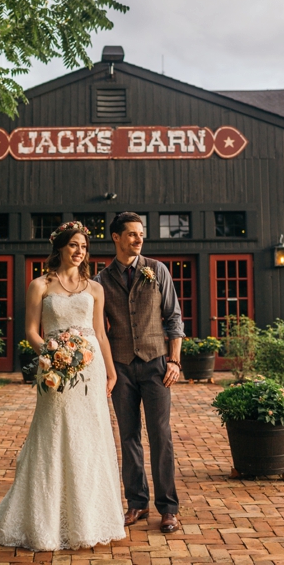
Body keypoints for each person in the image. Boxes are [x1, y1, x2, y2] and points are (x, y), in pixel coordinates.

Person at [0, 221, 126, 551]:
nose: (79, 252)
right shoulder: (40, 285)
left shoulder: (95, 288)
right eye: (74, 245)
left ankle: (88, 519)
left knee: (89, 439)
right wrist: (52, 354)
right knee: (52, 435)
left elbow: (100, 333)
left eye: (84, 247)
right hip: (54, 371)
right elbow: (31, 331)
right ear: (60, 246)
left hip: (89, 372)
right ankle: (45, 520)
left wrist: (111, 370)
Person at [94, 212, 184, 534]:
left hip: (156, 364)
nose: (138, 239)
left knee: (161, 436)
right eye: (131, 234)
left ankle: (168, 508)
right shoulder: (101, 280)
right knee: (128, 436)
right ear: (116, 237)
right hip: (120, 368)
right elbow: (96, 328)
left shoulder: (157, 270)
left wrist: (174, 361)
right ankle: (137, 503)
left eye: (141, 234)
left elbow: (173, 318)